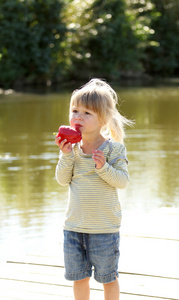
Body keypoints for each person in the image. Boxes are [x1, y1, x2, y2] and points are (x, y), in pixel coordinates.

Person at [55, 78, 132, 300]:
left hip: (104, 230)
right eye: (75, 110)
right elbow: (62, 180)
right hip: (74, 228)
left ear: (103, 119)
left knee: (108, 278)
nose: (78, 117)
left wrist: (103, 167)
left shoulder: (114, 150)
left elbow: (122, 181)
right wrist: (66, 155)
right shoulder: (71, 149)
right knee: (78, 278)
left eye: (87, 113)